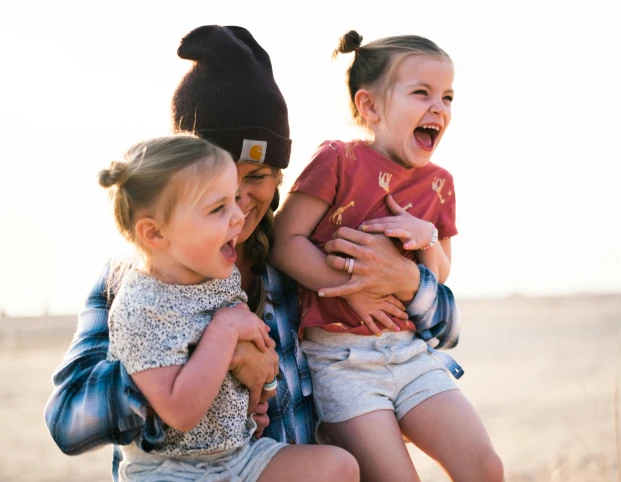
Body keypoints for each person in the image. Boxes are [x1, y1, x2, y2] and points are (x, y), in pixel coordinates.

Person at [44, 25, 461, 482]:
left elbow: (446, 329)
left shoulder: (297, 261)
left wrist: (405, 282)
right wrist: (211, 362)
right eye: (218, 182)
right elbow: (69, 422)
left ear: (280, 179)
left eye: (258, 174)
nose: (240, 199)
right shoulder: (132, 277)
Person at [270, 31, 504, 482]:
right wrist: (349, 291)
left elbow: (438, 275)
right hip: (342, 361)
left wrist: (427, 237)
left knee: (485, 467)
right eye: (422, 93)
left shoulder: (440, 183)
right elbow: (285, 241)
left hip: (409, 353)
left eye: (448, 97)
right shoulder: (337, 160)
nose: (439, 108)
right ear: (370, 107)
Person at [99, 135, 291, 480]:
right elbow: (181, 412)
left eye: (233, 200)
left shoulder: (217, 275)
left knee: (339, 467)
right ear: (155, 234)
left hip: (236, 454)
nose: (238, 216)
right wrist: (226, 329)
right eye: (219, 208)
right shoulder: (141, 307)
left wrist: (257, 399)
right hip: (173, 470)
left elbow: (259, 356)